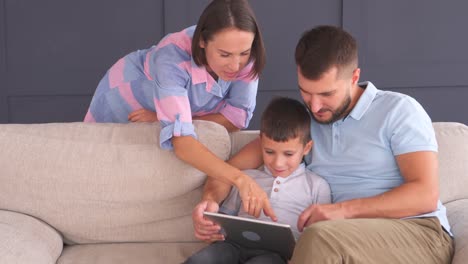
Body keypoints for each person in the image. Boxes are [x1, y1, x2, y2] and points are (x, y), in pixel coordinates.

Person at [193, 25, 454, 263]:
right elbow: (227, 172)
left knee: (318, 237)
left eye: (327, 94)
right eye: (305, 92)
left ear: (354, 77)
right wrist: (210, 202)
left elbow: (425, 195)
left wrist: (340, 211)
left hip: (417, 232)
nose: (315, 106)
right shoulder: (302, 126)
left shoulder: (398, 110)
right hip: (340, 236)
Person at [84, 0, 277, 220]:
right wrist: (240, 179)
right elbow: (183, 143)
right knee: (100, 173)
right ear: (202, 41)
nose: (236, 66)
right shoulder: (171, 56)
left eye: (243, 53)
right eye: (224, 55)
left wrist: (169, 117)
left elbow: (237, 118)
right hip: (126, 98)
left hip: (164, 111)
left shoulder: (247, 56)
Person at [184, 97, 331, 264]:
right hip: (233, 246)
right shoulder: (247, 178)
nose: (278, 163)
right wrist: (213, 228)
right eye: (269, 152)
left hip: (277, 256)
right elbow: (226, 219)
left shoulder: (317, 186)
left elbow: (321, 235)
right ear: (260, 143)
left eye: (288, 154)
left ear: (306, 148)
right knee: (202, 260)